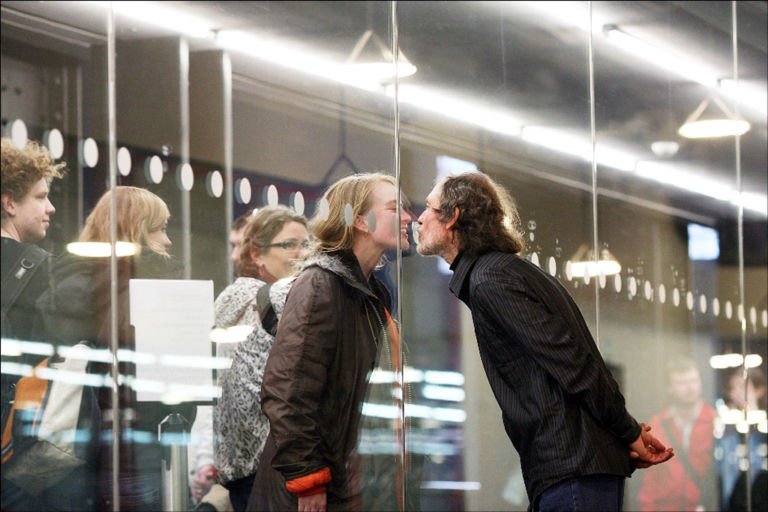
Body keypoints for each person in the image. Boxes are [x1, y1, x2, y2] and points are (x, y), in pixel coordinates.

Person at [415, 171, 673, 511]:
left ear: (453, 218)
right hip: (573, 470)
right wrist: (625, 433)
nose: (419, 218)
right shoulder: (506, 272)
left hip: (572, 471)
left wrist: (627, 432)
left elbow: (574, 365)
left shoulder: (491, 280)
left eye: (429, 208)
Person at [249, 172, 413, 512]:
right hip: (312, 491)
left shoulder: (367, 292)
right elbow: (287, 391)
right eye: (395, 208)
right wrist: (308, 478)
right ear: (360, 220)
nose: (409, 218)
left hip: (347, 481)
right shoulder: (320, 285)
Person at [36, 185, 184, 510]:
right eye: (159, 229)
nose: (168, 241)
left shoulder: (62, 282)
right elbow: (175, 388)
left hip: (67, 445)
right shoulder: (142, 290)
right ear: (136, 231)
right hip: (136, 446)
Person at [211, 205, 310, 512]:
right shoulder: (277, 299)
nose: (302, 253)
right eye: (289, 244)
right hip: (273, 466)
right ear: (257, 254)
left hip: (239, 468)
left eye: (307, 244)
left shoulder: (231, 297)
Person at [1, 137, 65, 510]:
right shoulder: (43, 270)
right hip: (17, 451)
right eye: (40, 197)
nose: (51, 207)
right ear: (9, 202)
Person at [637, 356, 717, 511]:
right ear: (669, 388)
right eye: (682, 382)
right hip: (665, 506)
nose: (690, 387)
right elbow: (651, 476)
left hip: (702, 506)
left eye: (694, 381)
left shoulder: (714, 420)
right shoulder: (658, 423)